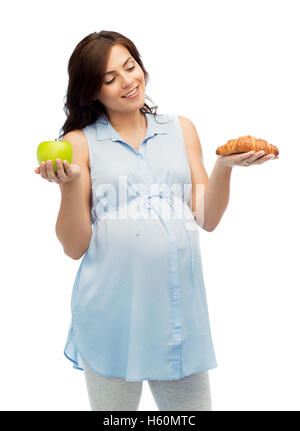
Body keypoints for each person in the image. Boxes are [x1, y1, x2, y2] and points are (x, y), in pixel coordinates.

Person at [34, 30, 278, 411]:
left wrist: (224, 166)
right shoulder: (79, 143)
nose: (128, 81)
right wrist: (71, 185)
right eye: (109, 78)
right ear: (92, 91)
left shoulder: (181, 129)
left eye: (130, 67)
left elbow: (207, 218)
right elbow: (73, 247)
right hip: (113, 318)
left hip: (177, 317)